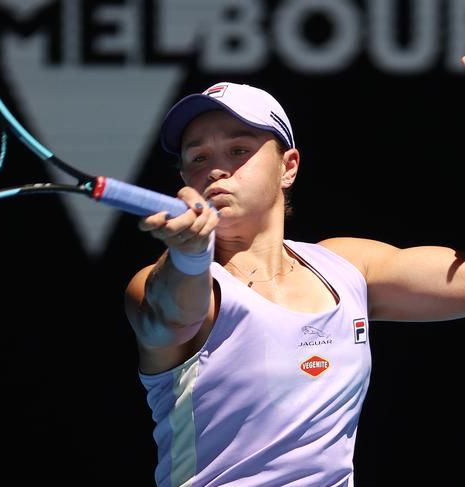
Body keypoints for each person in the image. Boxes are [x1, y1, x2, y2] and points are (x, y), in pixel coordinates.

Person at [124, 57, 465, 487]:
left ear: (288, 167)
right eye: (198, 156)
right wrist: (190, 256)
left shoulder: (348, 266)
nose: (215, 169)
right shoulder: (172, 283)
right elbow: (171, 317)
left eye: (238, 151)